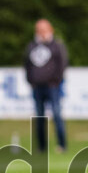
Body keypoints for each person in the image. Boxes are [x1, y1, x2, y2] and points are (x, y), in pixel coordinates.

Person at [23, 18, 68, 153]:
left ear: (50, 30)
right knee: (39, 117)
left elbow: (62, 63)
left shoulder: (57, 45)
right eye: (39, 29)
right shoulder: (32, 46)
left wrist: (56, 80)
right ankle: (41, 147)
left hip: (52, 86)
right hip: (37, 87)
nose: (41, 32)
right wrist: (31, 81)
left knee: (57, 114)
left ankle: (62, 145)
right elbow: (27, 65)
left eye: (43, 29)